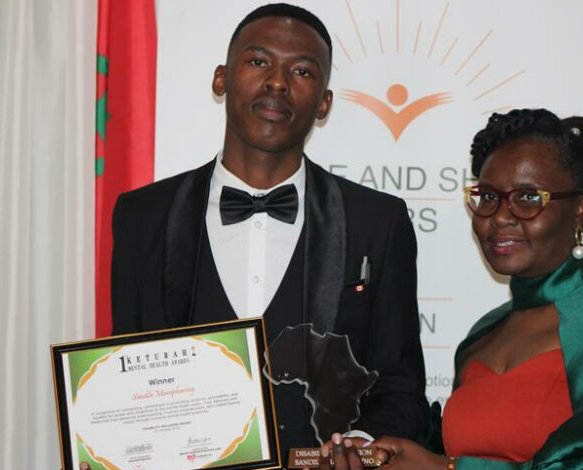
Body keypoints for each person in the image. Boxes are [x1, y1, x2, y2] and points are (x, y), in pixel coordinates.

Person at [109, 2, 428, 460]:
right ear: (221, 78)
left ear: (324, 102)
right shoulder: (142, 216)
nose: (277, 82)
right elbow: (127, 372)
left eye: (301, 71)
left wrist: (356, 448)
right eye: (259, 61)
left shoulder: (379, 221)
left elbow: (400, 386)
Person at [320, 108, 583, 469]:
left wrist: (444, 468)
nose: (500, 216)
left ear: (581, 209)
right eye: (487, 196)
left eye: (528, 197)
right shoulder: (483, 335)